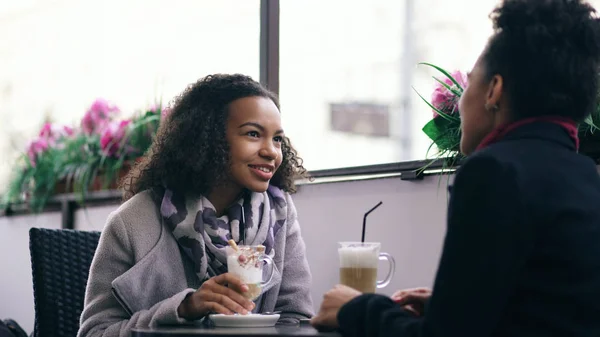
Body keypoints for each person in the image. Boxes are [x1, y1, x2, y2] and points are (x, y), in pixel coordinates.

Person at [311, 0, 600, 336]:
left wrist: (356, 308)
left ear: (494, 90)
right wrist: (446, 304)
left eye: (469, 84)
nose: (461, 102)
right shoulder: (583, 175)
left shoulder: (494, 171)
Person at [78, 74, 314, 337]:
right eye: (253, 134)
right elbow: (95, 332)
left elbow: (298, 319)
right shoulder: (132, 222)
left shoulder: (278, 214)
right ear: (208, 138)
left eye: (277, 139)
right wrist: (183, 309)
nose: (271, 151)